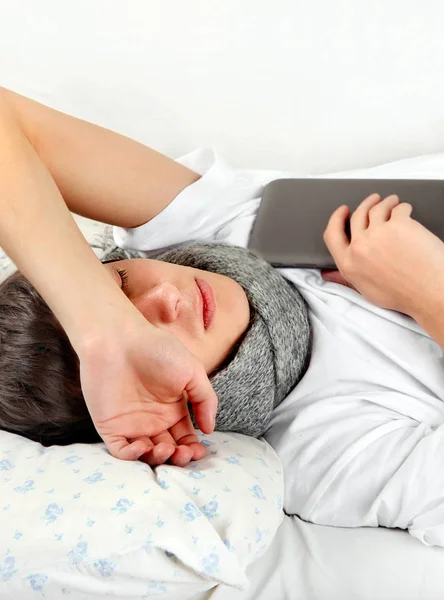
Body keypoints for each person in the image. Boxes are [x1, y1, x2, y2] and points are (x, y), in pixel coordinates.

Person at [2, 88, 444, 543]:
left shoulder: (199, 232)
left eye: (120, 284)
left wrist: (101, 332)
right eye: (149, 335)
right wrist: (430, 291)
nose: (165, 297)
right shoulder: (327, 452)